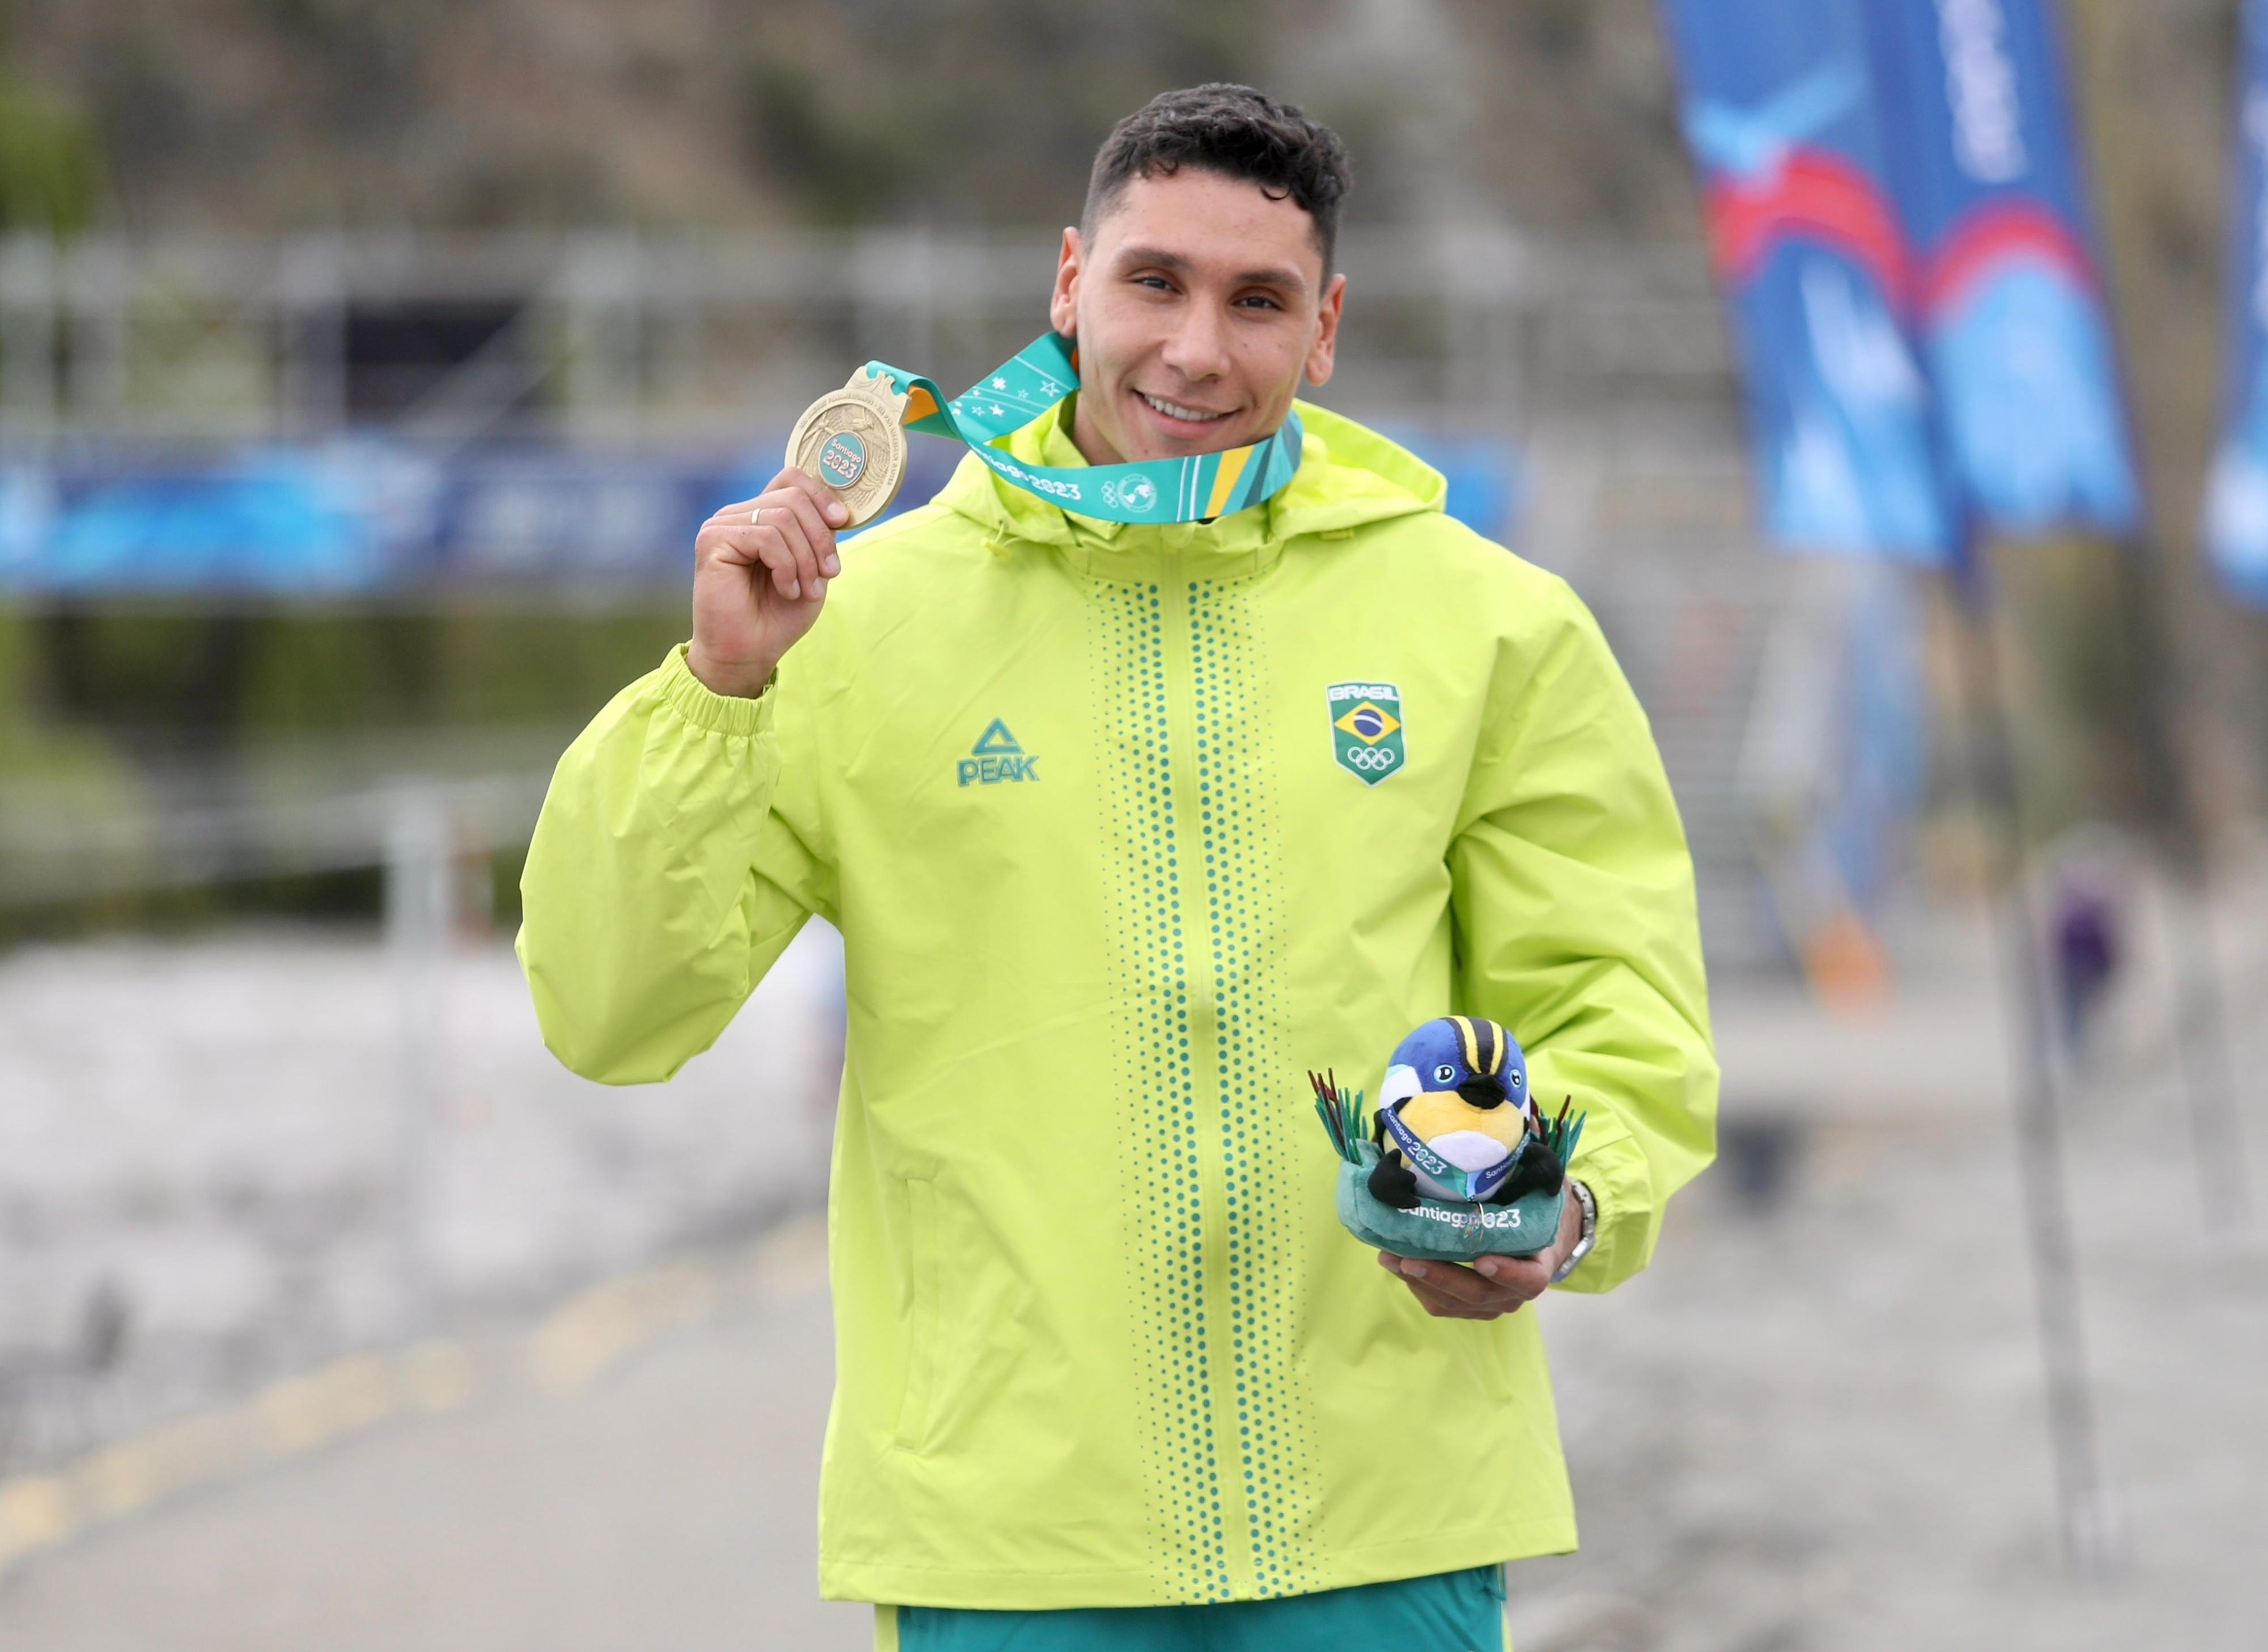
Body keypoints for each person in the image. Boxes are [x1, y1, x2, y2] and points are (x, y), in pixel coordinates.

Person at [518, 84, 1717, 1652]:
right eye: (1156, 281)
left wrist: (1558, 1212)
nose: (1198, 350)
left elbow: (1616, 1010)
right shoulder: (858, 623)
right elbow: (613, 1012)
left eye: (1258, 300)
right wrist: (717, 694)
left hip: (1383, 1528)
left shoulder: (1489, 626)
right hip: (1013, 1548)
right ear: (1072, 279)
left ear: (1328, 325)